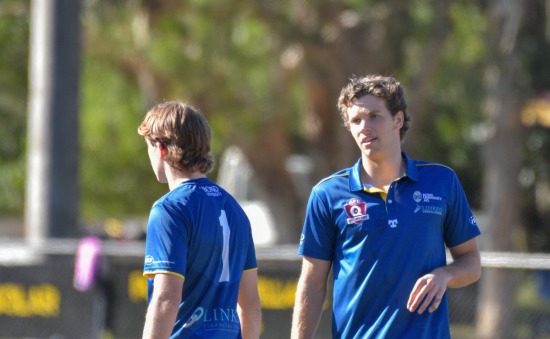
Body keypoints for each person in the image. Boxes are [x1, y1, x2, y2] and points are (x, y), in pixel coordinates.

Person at [291, 75, 481, 338]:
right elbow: (312, 283)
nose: (364, 127)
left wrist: (444, 275)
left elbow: (471, 262)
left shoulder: (442, 181)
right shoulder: (327, 194)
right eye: (356, 120)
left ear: (398, 120)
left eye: (374, 116)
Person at [138, 101, 261, 339]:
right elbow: (251, 306)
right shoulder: (235, 210)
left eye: (149, 147)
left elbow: (166, 299)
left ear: (161, 149)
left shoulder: (169, 210)